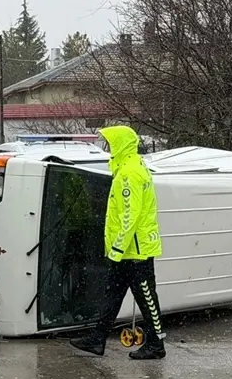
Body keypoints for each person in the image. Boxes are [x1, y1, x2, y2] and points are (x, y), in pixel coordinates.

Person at [69, 124, 166, 360]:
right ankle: (97, 338)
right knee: (112, 293)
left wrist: (116, 248)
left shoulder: (129, 173)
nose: (108, 148)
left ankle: (156, 344)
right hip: (130, 249)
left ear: (120, 145)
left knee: (145, 295)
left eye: (111, 143)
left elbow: (129, 215)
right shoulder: (129, 167)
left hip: (135, 250)